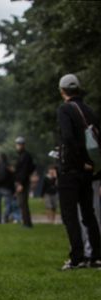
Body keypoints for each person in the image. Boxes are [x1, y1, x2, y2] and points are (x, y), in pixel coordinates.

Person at [56, 73, 101, 270]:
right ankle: (97, 256)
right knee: (88, 213)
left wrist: (78, 161)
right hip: (89, 169)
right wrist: (89, 163)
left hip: (72, 169)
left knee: (70, 215)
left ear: (62, 91)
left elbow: (67, 137)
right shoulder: (89, 111)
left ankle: (77, 256)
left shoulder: (65, 109)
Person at [14, 136, 35, 228]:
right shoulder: (23, 156)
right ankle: (26, 222)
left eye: (18, 144)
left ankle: (27, 223)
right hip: (22, 181)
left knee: (23, 203)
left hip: (23, 182)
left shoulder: (24, 156)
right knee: (22, 203)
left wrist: (21, 183)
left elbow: (24, 171)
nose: (17, 146)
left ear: (22, 145)